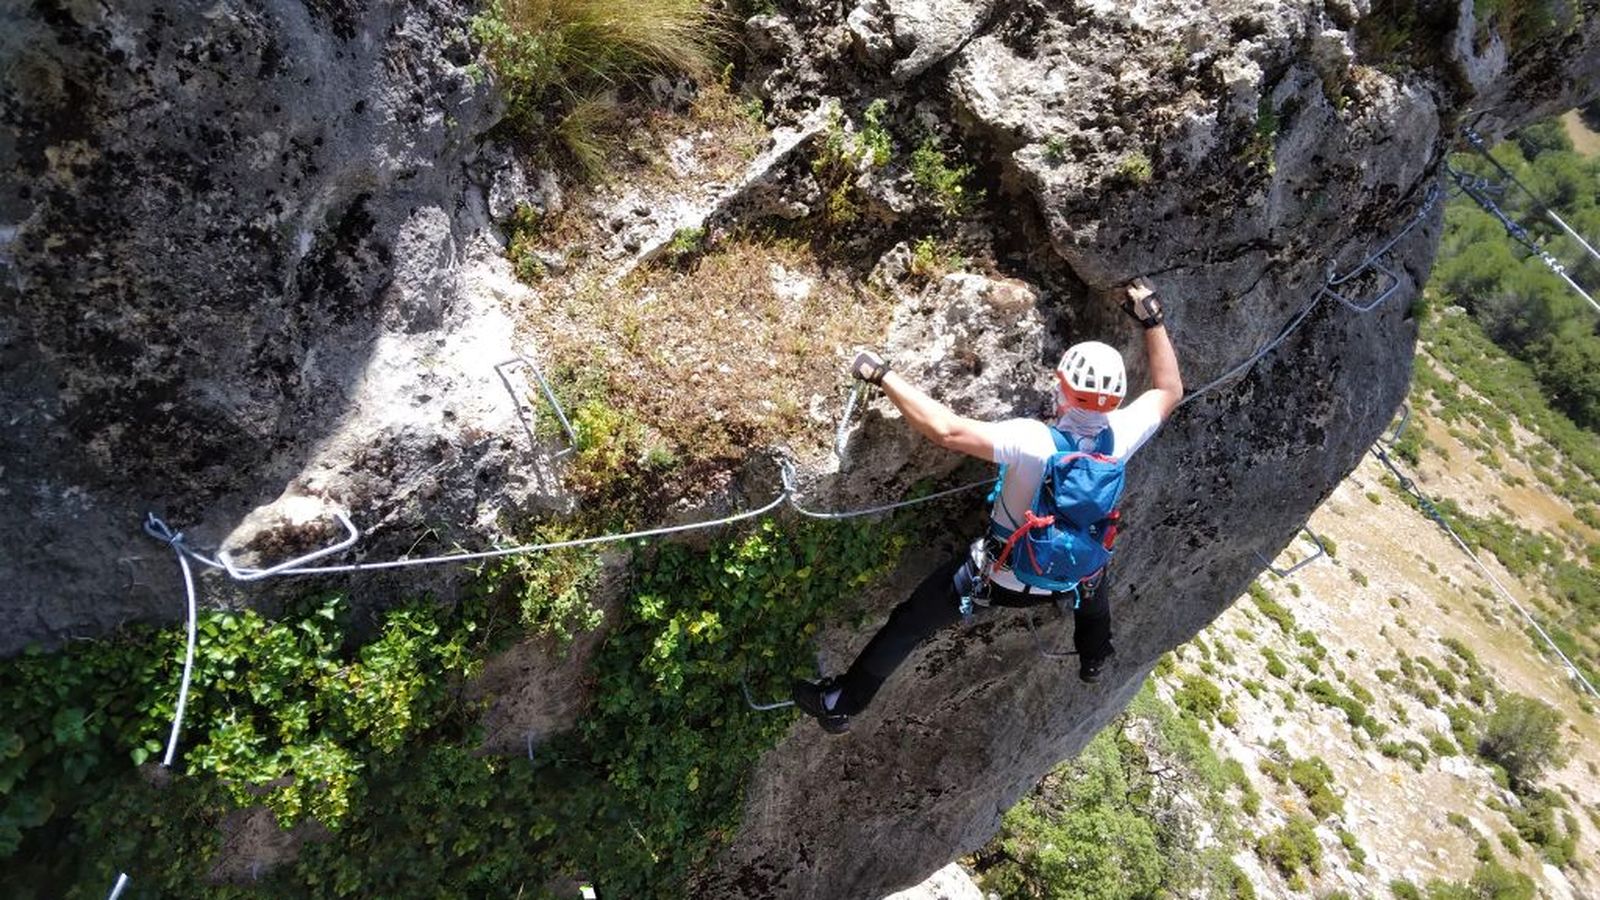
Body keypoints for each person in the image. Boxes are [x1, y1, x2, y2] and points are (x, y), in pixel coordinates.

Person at [792, 279, 1183, 734]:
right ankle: (1094, 658)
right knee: (1093, 577)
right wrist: (1152, 320)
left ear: (1061, 384)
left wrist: (882, 375)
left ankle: (841, 703)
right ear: (1114, 398)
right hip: (1068, 581)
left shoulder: (1033, 440)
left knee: (910, 622)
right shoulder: (1122, 435)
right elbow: (1169, 389)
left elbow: (948, 432)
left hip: (997, 578)